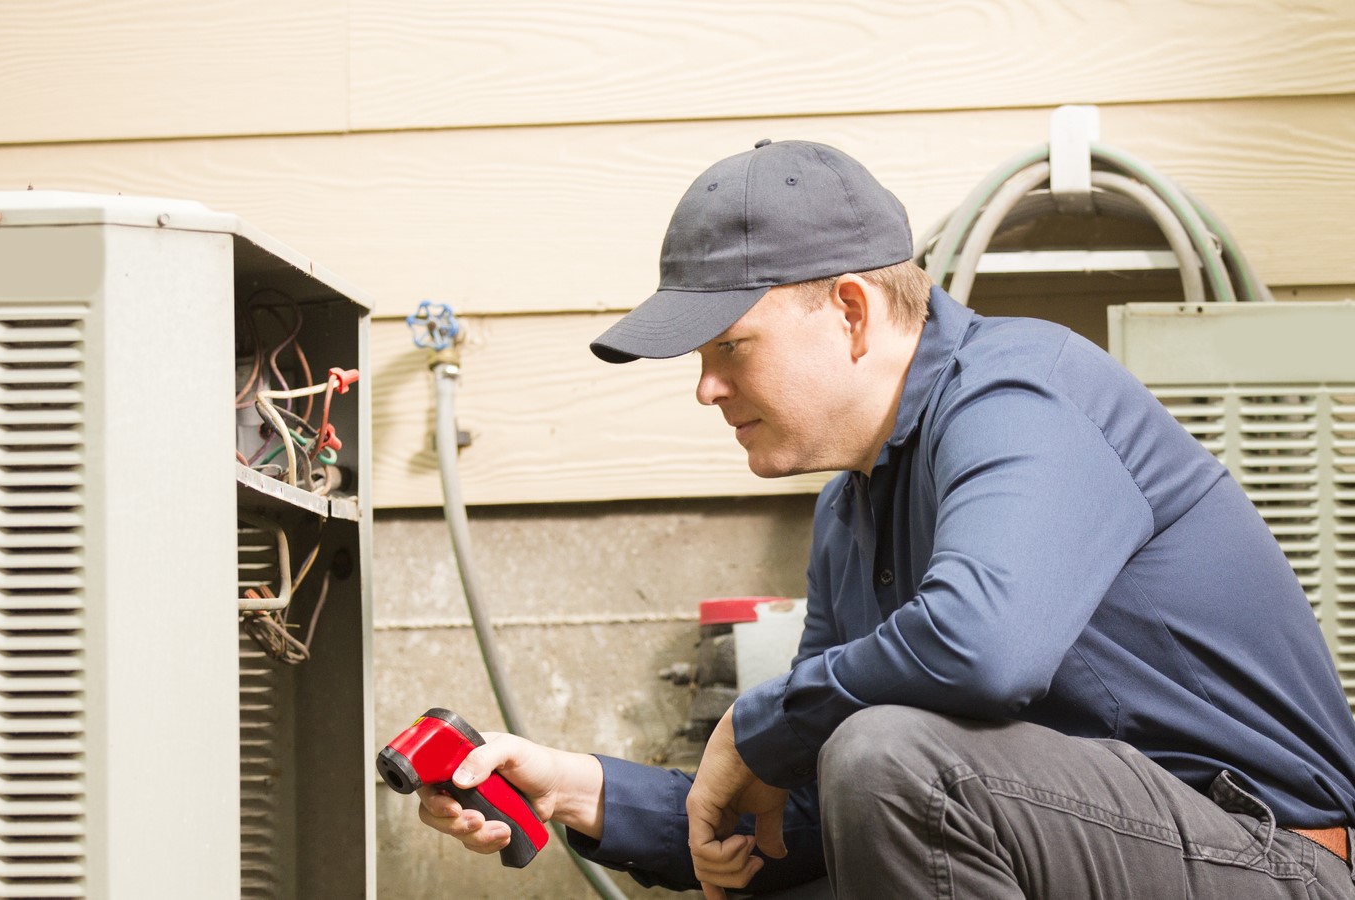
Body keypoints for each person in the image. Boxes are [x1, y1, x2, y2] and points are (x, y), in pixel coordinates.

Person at [416, 139, 1355, 898]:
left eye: (731, 346)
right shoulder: (848, 508)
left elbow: (982, 650)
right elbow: (826, 812)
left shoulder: (1022, 390)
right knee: (847, 796)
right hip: (1092, 851)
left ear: (853, 313)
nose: (705, 388)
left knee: (884, 751)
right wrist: (577, 789)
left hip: (1273, 861)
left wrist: (757, 723)